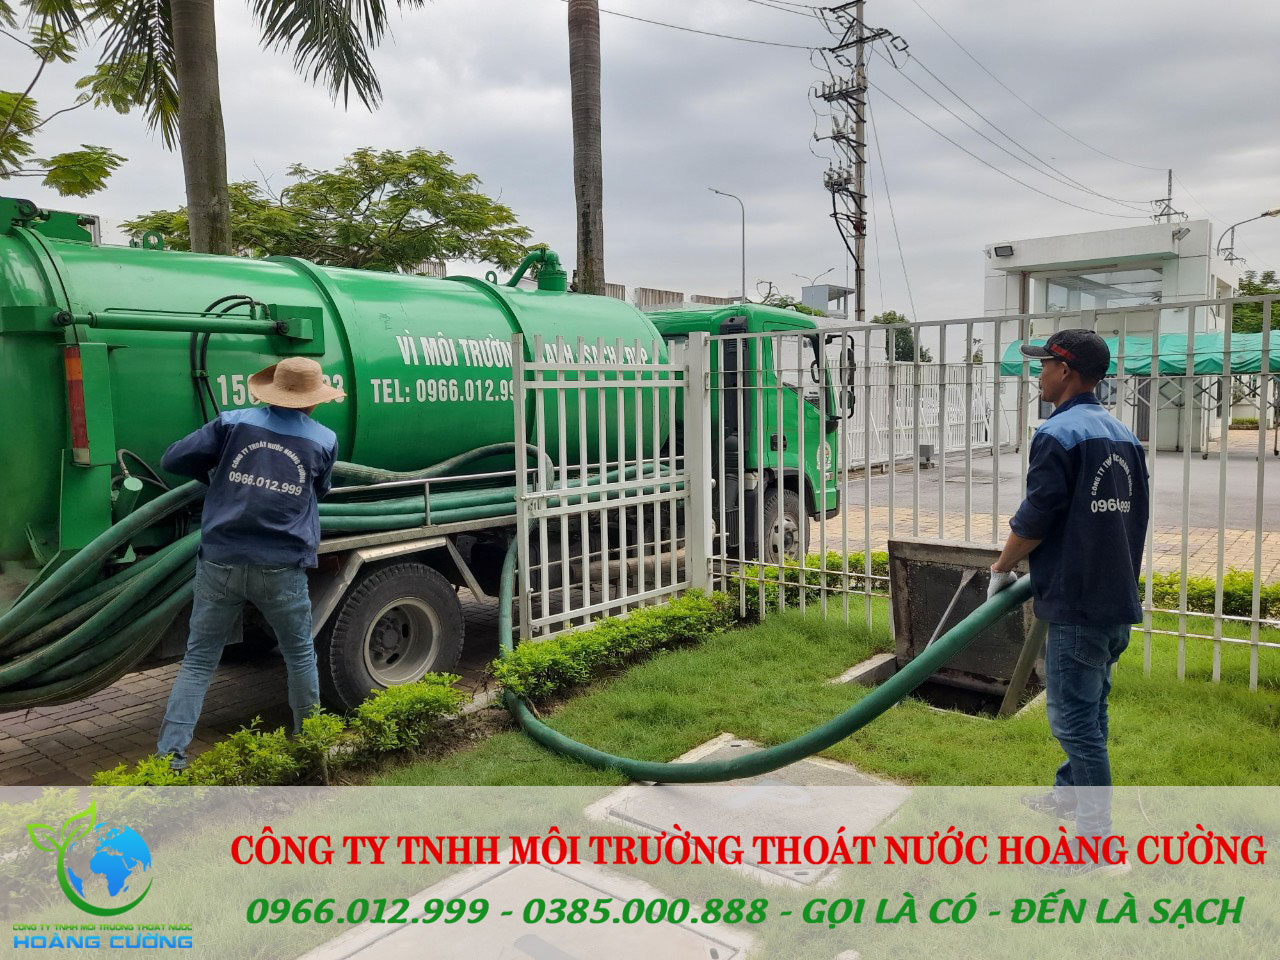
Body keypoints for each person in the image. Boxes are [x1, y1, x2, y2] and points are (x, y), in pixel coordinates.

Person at [986, 329, 1149, 856]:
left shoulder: (1057, 433)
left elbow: (1038, 515)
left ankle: (1095, 843)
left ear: (1066, 371)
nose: (1038, 375)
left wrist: (1002, 566)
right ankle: (1067, 795)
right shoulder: (1122, 434)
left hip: (1077, 603)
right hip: (1114, 598)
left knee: (1075, 723)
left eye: (1043, 366)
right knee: (1092, 708)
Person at [156, 357, 343, 770]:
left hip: (220, 560)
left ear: (270, 391)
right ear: (314, 400)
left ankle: (169, 760)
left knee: (199, 660)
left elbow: (173, 460)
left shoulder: (232, 423)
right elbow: (319, 490)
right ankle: (310, 749)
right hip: (282, 565)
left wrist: (218, 476)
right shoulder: (324, 439)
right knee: (299, 655)